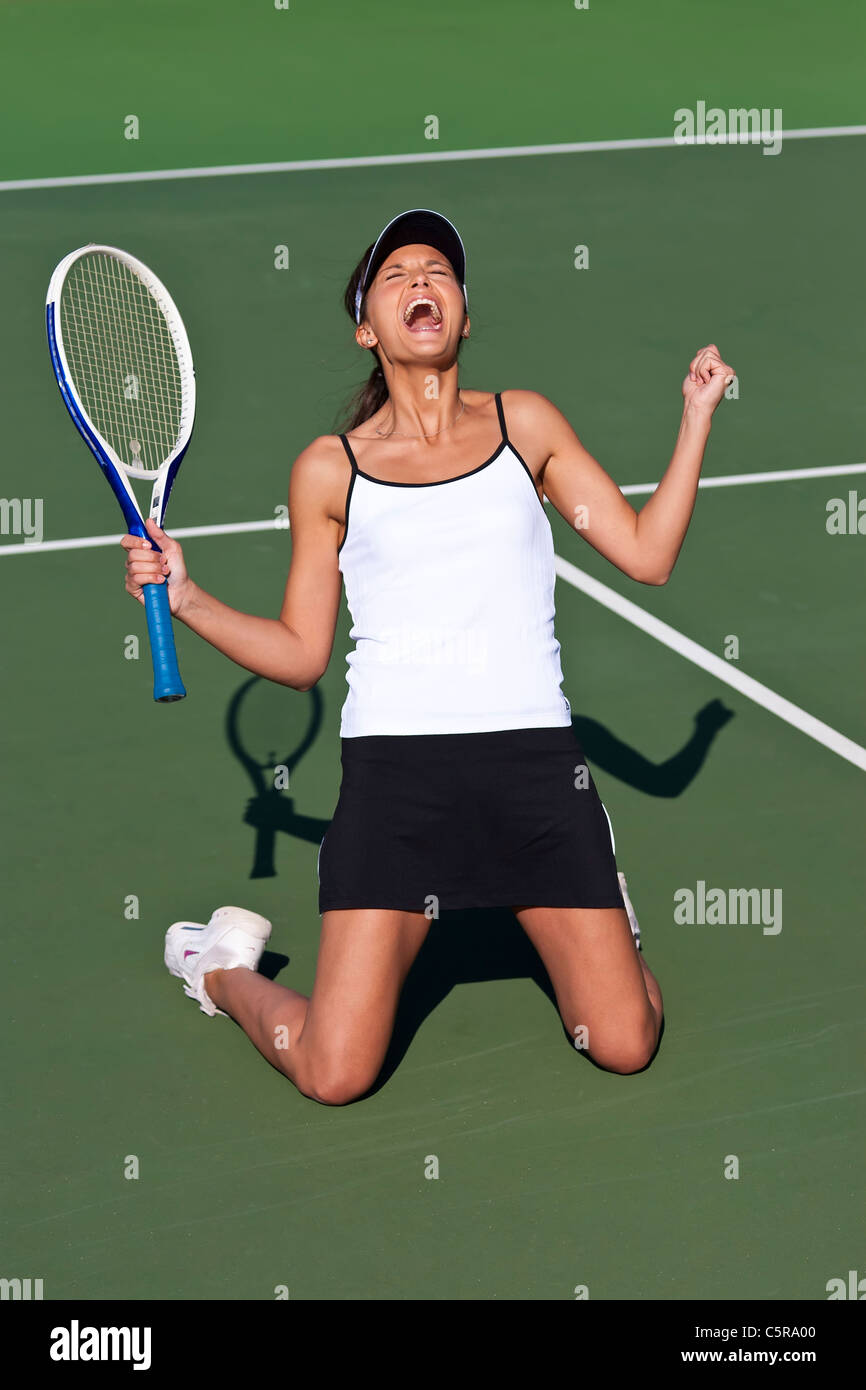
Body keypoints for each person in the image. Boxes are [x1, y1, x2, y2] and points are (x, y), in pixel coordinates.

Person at [121, 208, 734, 1106]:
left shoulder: (525, 424)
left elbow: (646, 554)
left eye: (440, 271)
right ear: (368, 327)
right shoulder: (329, 470)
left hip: (535, 772)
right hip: (396, 785)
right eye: (398, 272)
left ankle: (603, 898)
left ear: (463, 314)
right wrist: (188, 597)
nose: (422, 281)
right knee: (335, 1073)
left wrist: (694, 419)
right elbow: (300, 656)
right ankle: (218, 967)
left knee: (625, 1042)